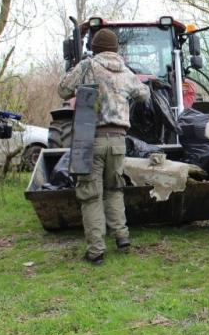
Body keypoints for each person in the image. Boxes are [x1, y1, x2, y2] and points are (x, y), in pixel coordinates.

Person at [58, 28, 149, 265]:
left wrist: (77, 72)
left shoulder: (87, 66)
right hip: (118, 140)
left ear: (94, 48)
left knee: (90, 195)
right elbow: (143, 94)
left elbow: (63, 90)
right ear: (116, 48)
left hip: (91, 139)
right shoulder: (126, 71)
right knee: (114, 189)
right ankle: (122, 237)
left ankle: (96, 250)